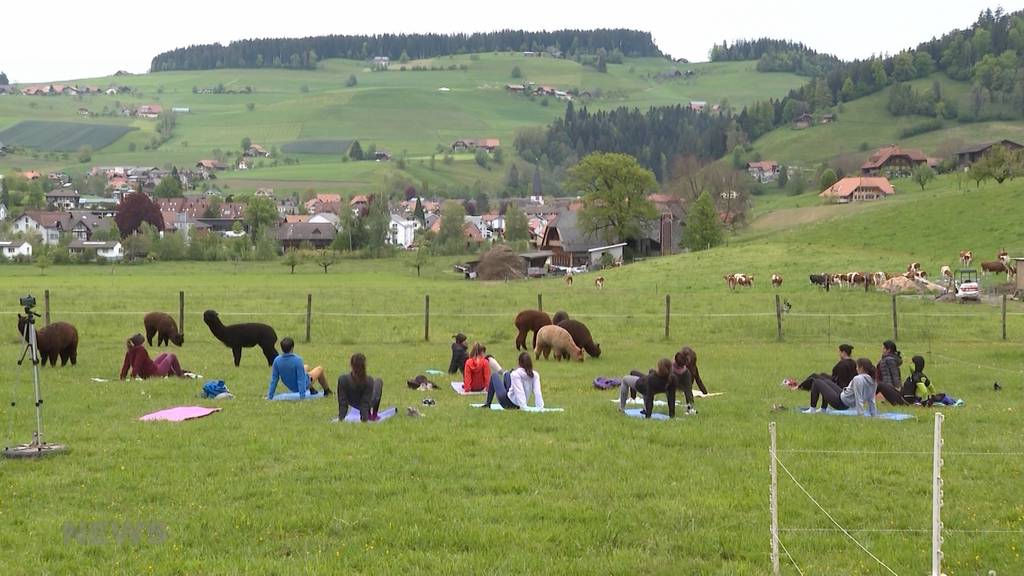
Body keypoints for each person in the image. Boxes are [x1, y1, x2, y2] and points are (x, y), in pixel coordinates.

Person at [803, 357, 878, 416]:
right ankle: (823, 409)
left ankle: (812, 409)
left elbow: (859, 398)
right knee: (826, 382)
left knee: (817, 382)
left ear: (861, 368)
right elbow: (871, 399)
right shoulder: (873, 381)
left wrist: (860, 415)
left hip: (840, 403)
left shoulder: (858, 379)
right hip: (844, 397)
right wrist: (873, 414)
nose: (856, 369)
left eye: (857, 367)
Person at [266, 337, 332, 399]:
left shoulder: (277, 360)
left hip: (290, 385)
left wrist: (270, 396)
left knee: (306, 367)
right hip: (301, 386)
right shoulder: (297, 360)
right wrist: (302, 396)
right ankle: (327, 391)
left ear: (281, 348)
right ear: (292, 348)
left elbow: (274, 379)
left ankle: (312, 389)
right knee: (319, 369)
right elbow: (301, 379)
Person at [337, 353, 383, 422]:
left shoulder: (343, 379)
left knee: (374, 384)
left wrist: (341, 418)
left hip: (352, 402)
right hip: (369, 402)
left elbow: (342, 402)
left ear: (351, 365)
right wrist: (364, 419)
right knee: (379, 381)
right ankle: (374, 415)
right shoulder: (369, 380)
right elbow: (365, 403)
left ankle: (369, 414)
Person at [119, 333, 186, 380]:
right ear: (140, 343)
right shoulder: (141, 350)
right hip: (155, 373)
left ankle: (171, 375)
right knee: (172, 356)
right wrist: (133, 377)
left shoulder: (129, 352)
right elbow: (137, 364)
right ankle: (180, 375)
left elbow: (125, 366)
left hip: (148, 372)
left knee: (165, 355)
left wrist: (122, 377)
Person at [876, 340, 907, 405]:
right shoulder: (885, 358)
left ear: (888, 350)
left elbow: (894, 374)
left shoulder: (890, 359)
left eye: (884, 348)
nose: (882, 350)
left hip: (888, 383)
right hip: (883, 381)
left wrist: (897, 386)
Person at [671, 351, 699, 416]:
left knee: (688, 391)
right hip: (673, 375)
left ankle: (690, 408)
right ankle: (671, 410)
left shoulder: (686, 372)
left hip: (685, 375)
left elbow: (688, 390)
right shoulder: (671, 368)